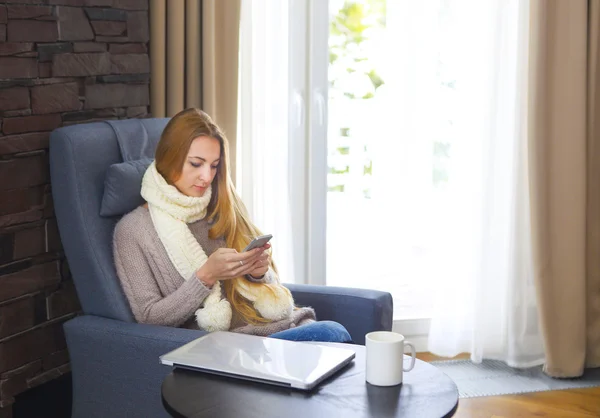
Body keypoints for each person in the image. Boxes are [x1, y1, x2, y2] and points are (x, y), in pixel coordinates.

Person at [113, 108, 352, 343]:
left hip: (282, 327)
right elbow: (148, 317)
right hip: (240, 346)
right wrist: (205, 276)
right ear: (169, 158)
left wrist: (258, 273)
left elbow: (269, 295)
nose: (206, 177)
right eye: (196, 164)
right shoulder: (133, 230)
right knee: (333, 333)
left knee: (336, 338)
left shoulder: (221, 206)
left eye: (214, 165)